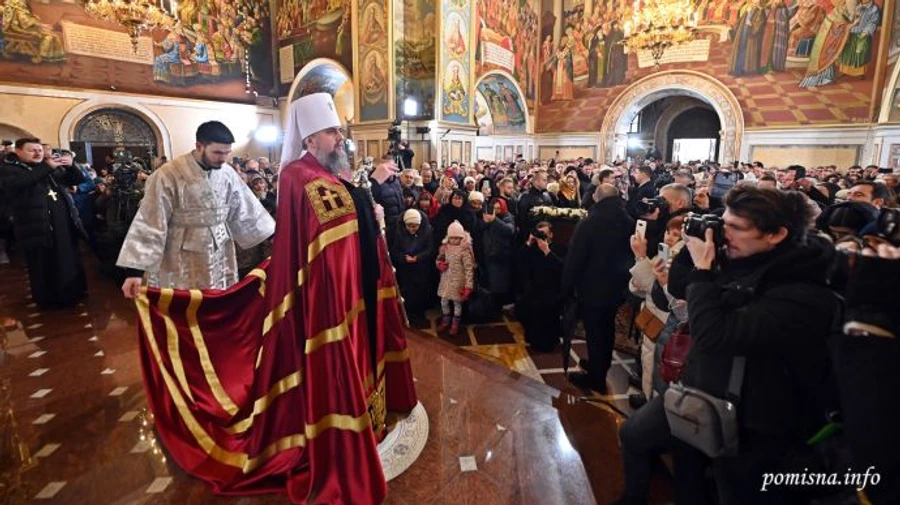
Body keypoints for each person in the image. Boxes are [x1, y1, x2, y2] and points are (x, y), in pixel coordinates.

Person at [132, 94, 416, 503]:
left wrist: (284, 252)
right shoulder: (291, 175)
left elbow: (261, 220)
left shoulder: (317, 171)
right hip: (179, 259)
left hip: (225, 254)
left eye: (339, 132)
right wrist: (132, 268)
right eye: (333, 132)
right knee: (209, 314)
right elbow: (151, 220)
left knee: (233, 301)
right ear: (311, 138)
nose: (341, 139)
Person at [117, 121, 274, 294]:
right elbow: (151, 221)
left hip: (221, 251)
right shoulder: (167, 174)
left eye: (227, 153)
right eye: (217, 152)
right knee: (185, 306)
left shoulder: (227, 172)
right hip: (181, 255)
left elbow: (246, 208)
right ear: (199, 146)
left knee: (218, 302)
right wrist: (135, 272)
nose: (223, 158)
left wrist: (274, 236)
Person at [562, 184, 635, 392]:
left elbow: (575, 259)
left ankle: (596, 378)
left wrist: (566, 288)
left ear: (596, 198)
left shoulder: (590, 222)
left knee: (595, 331)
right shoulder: (628, 220)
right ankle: (600, 364)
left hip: (593, 287)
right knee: (607, 328)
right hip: (617, 285)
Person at [0, 138, 87, 308]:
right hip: (36, 226)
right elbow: (18, 184)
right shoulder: (9, 169)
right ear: (18, 152)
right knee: (44, 263)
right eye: (32, 150)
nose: (38, 153)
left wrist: (71, 165)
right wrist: (46, 166)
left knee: (68, 258)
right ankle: (50, 300)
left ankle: (73, 293)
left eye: (39, 150)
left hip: (62, 222)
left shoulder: (50, 168)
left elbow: (76, 180)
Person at [516, 221, 565, 352]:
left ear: (551, 235)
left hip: (551, 289)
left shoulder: (558, 248)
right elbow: (520, 259)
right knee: (531, 312)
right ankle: (534, 340)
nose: (541, 236)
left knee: (548, 314)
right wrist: (529, 242)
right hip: (535, 287)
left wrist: (547, 251)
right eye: (539, 233)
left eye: (544, 233)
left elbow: (561, 267)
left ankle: (548, 342)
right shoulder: (532, 248)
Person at [436, 220, 475, 336]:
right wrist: (439, 264)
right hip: (446, 279)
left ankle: (455, 323)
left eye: (457, 238)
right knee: (444, 301)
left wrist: (468, 286)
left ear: (462, 238)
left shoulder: (464, 251)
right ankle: (446, 319)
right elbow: (439, 258)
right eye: (452, 238)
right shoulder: (445, 248)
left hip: (458, 282)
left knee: (457, 303)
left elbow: (469, 269)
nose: (454, 240)